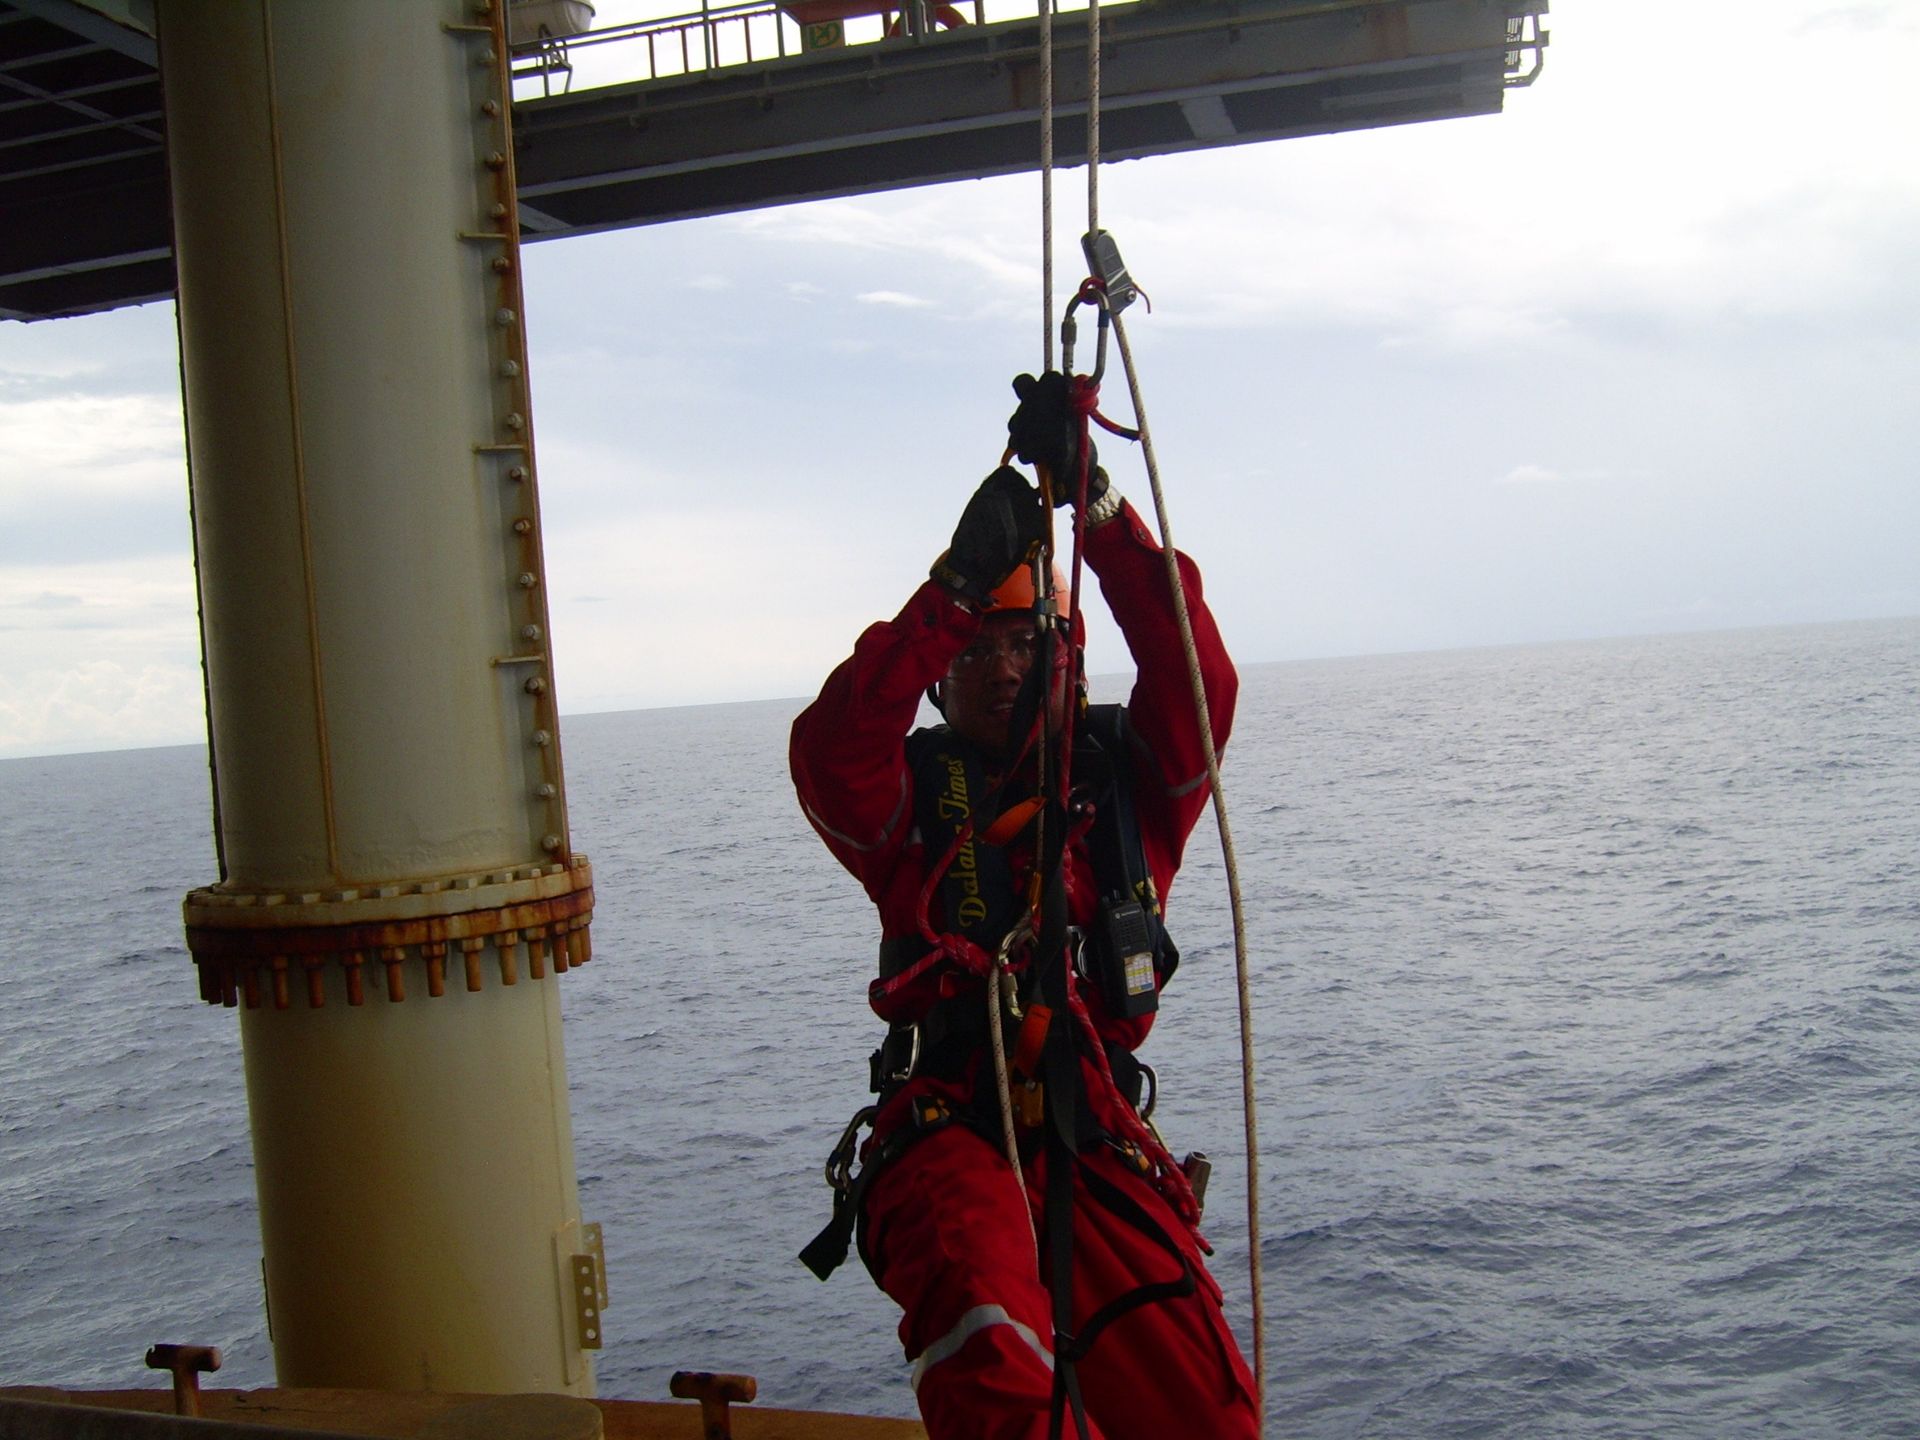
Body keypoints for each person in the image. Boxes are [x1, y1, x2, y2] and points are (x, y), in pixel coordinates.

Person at [790, 373, 1257, 1440]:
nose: (1000, 671)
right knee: (990, 1336)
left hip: (1094, 1138)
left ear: (1063, 655)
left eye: (1020, 645)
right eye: (974, 651)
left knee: (1205, 1409)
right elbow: (828, 752)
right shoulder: (903, 804)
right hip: (951, 1133)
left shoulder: (1128, 783)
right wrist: (949, 592)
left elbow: (1197, 674)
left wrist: (1095, 504)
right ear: (938, 676)